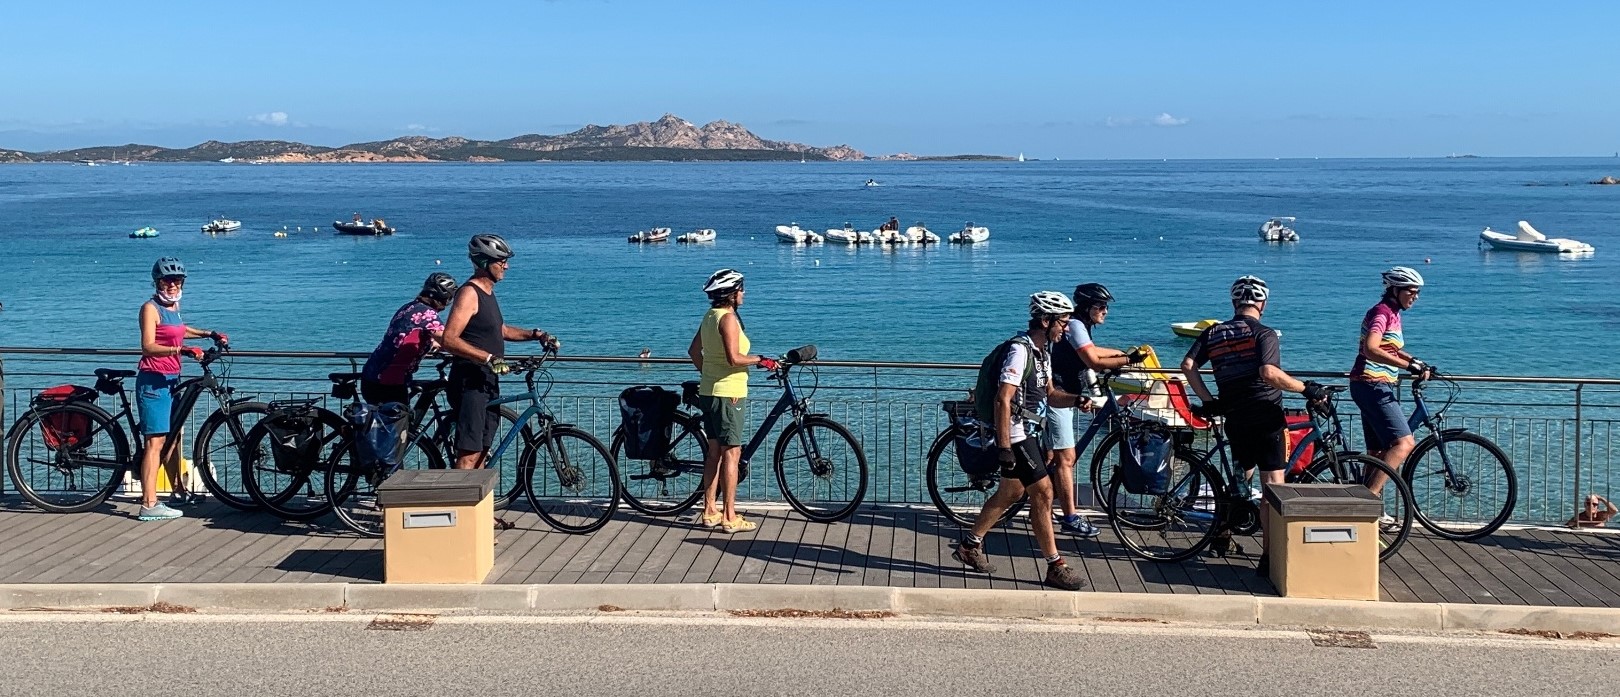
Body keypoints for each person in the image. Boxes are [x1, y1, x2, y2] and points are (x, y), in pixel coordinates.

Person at [1181, 275, 1327, 576]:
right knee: (1273, 489)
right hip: (1266, 418)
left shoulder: (1214, 332)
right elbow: (1269, 372)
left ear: (1234, 302)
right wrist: (1306, 389)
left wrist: (1210, 402)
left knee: (1239, 483)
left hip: (1235, 417)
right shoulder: (1265, 333)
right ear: (1262, 303)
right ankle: (1269, 557)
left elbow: (1188, 366)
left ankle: (1223, 535)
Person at [952, 291, 1088, 591]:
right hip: (1014, 434)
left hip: (1029, 432)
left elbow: (1050, 395)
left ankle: (969, 546)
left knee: (1011, 493)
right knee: (1043, 492)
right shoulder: (1020, 351)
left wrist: (1078, 400)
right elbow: (1003, 400)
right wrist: (1004, 449)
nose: (1066, 328)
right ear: (1045, 320)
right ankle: (1055, 566)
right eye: (1063, 322)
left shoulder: (1043, 353)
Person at [440, 234, 560, 471]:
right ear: (484, 262)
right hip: (470, 382)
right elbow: (449, 339)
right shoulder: (469, 293)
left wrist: (536, 335)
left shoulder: (488, 293)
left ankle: (478, 507)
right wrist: (488, 358)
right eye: (501, 261)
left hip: (488, 379)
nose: (506, 266)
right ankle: (459, 504)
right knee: (469, 453)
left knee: (483, 450)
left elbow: (501, 330)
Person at [1046, 283, 1145, 537]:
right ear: (1087, 307)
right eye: (1101, 306)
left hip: (1066, 393)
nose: (1105, 311)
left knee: (1051, 457)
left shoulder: (1081, 325)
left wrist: (1121, 353)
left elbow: (1090, 350)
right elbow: (1093, 361)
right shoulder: (1076, 325)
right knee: (1066, 460)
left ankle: (1040, 504)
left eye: (1106, 307)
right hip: (1058, 394)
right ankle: (1069, 518)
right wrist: (1129, 360)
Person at [134, 258, 228, 521]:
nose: (173, 285)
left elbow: (180, 329)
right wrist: (181, 350)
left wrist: (209, 333)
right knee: (155, 443)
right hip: (153, 380)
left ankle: (178, 492)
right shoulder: (149, 308)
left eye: (178, 281)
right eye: (168, 280)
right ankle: (149, 504)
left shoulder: (173, 306)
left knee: (173, 438)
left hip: (172, 378)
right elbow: (148, 346)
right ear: (157, 282)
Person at [687, 269, 775, 534]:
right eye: (741, 290)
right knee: (731, 454)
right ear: (732, 294)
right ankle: (730, 516)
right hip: (730, 394)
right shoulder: (727, 319)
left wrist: (709, 375)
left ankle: (709, 510)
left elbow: (693, 351)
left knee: (714, 452)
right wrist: (761, 359)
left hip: (709, 391)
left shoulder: (710, 316)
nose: (744, 294)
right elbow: (734, 358)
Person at [1350, 267, 1431, 495]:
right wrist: (1408, 366)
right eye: (1411, 292)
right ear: (1395, 290)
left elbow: (1390, 348)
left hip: (1372, 384)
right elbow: (1371, 348)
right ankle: (1369, 502)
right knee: (1404, 444)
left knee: (1376, 453)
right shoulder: (1382, 313)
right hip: (1371, 383)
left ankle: (1362, 501)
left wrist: (1416, 361)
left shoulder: (1393, 313)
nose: (1415, 297)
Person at [359, 272, 457, 406]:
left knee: (383, 423)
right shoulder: (427, 314)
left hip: (373, 374)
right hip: (389, 381)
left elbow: (411, 333)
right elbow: (448, 340)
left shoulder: (409, 307)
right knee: (398, 424)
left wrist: (432, 342)